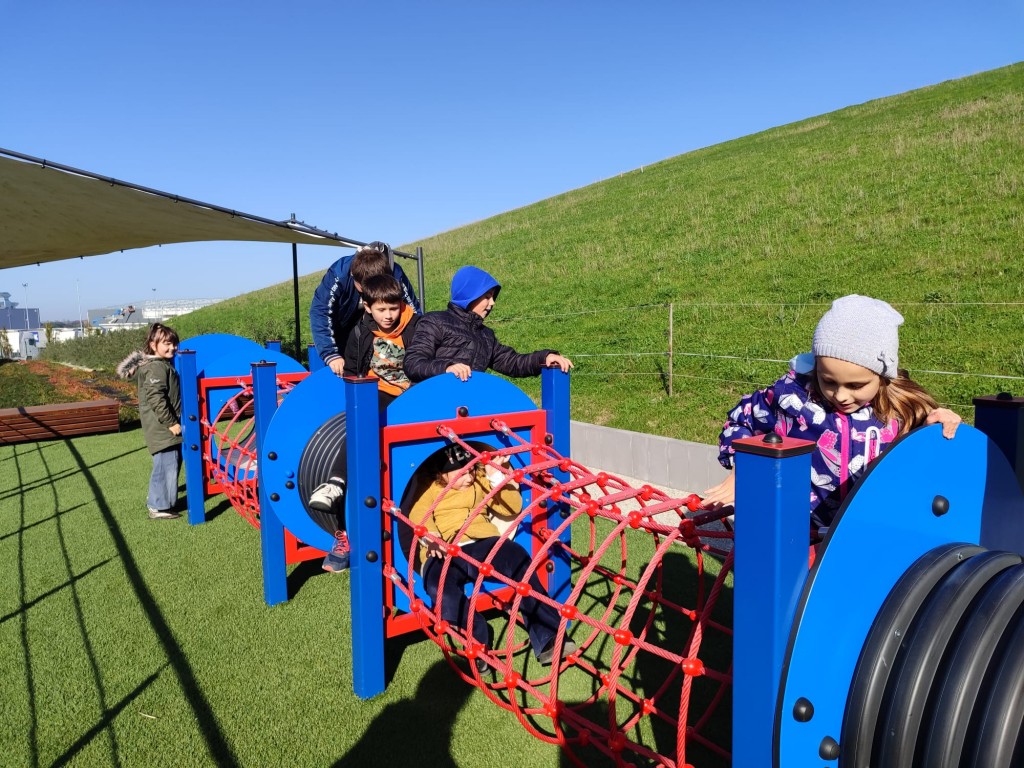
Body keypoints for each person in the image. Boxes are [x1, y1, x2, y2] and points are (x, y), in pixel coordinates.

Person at [700, 295, 962, 532]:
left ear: (882, 377)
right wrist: (745, 468)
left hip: (866, 530)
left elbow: (925, 457)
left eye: (856, 385)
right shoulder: (792, 399)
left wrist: (935, 424)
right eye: (829, 381)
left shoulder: (901, 408)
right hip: (799, 528)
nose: (841, 396)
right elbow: (740, 420)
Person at [408, 444, 576, 675]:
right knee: (439, 587)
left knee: (518, 560)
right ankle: (476, 640)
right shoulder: (431, 486)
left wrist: (497, 478)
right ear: (442, 474)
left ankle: (548, 636)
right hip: (445, 548)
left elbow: (511, 508)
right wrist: (432, 538)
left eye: (470, 470)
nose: (468, 477)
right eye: (460, 473)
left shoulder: (479, 481)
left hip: (482, 542)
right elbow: (418, 514)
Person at [308, 273, 420, 573]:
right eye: (381, 309)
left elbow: (426, 360)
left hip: (412, 396)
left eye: (393, 308)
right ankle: (336, 486)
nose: (388, 315)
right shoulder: (361, 332)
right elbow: (355, 371)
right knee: (359, 432)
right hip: (377, 394)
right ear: (367, 307)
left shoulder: (417, 326)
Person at [403, 265, 572, 382]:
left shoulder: (485, 336)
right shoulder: (434, 322)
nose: (492, 303)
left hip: (465, 409)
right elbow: (413, 363)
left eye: (493, 297)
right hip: (430, 407)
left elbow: (512, 362)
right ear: (469, 295)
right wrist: (447, 368)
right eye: (487, 297)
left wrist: (544, 357)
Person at [309, 240, 421, 376]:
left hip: (378, 331)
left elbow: (413, 313)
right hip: (342, 328)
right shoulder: (340, 273)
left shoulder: (396, 274)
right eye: (363, 289)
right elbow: (320, 311)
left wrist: (421, 348)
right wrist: (331, 354)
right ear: (353, 277)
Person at [117, 323, 183, 520]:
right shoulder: (156, 367)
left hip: (159, 425)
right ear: (153, 345)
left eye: (174, 344)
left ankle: (158, 500)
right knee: (166, 464)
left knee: (168, 463)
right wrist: (171, 422)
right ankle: (158, 506)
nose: (172, 348)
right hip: (162, 427)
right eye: (167, 344)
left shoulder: (157, 365)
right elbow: (156, 397)